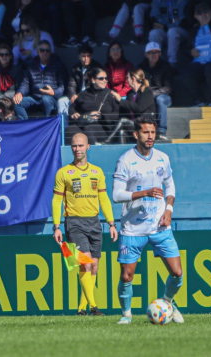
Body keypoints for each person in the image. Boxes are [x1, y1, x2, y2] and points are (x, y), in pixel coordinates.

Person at [112, 116, 184, 325]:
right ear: (136, 134)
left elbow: (170, 186)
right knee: (127, 276)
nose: (150, 136)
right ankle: (126, 315)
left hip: (160, 225)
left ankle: (167, 303)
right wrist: (143, 193)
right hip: (133, 228)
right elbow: (116, 195)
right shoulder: (125, 160)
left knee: (177, 273)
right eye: (145, 132)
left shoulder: (162, 158)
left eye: (153, 132)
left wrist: (169, 209)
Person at [52, 132, 117, 316]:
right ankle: (94, 307)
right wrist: (56, 227)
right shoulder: (63, 173)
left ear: (88, 147)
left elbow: (103, 198)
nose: (77, 149)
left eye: (81, 145)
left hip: (95, 223)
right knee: (85, 264)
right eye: (74, 146)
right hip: (74, 223)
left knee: (94, 267)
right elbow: (57, 201)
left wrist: (111, 223)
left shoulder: (97, 172)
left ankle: (81, 309)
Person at [65, 67, 118, 144]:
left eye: (106, 78)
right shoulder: (84, 93)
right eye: (101, 78)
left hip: (103, 126)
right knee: (70, 130)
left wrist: (101, 116)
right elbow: (73, 106)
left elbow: (116, 114)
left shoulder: (111, 94)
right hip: (85, 122)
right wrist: (73, 113)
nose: (104, 81)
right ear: (93, 80)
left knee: (89, 129)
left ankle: (94, 153)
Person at [16, 40, 67, 118]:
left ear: (51, 52)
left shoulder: (58, 64)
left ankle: (48, 126)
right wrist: (20, 93)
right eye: (42, 50)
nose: (45, 52)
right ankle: (25, 127)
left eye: (47, 50)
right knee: (18, 103)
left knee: (46, 99)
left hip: (50, 98)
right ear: (37, 52)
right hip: (35, 98)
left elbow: (63, 86)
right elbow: (25, 83)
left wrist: (53, 93)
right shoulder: (31, 65)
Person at [104, 69, 156, 143]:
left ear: (133, 78)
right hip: (134, 125)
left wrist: (121, 101)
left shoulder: (147, 92)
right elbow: (127, 108)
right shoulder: (130, 93)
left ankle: (106, 141)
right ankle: (122, 152)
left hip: (145, 125)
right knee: (121, 132)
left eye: (127, 78)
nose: (126, 80)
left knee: (123, 121)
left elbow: (139, 108)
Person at [149, 0, 189, 66]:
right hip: (165, 31)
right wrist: (172, 21)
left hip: (181, 32)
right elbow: (155, 18)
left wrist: (166, 25)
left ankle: (172, 62)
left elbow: (182, 20)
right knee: (154, 33)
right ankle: (157, 62)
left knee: (172, 31)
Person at [139, 42, 173, 140]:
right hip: (147, 94)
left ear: (160, 54)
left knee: (160, 99)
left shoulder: (166, 66)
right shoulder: (141, 67)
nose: (154, 55)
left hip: (164, 96)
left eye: (156, 52)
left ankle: (162, 130)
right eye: (151, 53)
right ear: (146, 55)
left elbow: (168, 88)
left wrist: (152, 94)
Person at [61, 44, 102, 118]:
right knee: (61, 101)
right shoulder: (75, 68)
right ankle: (63, 127)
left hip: (91, 97)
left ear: (92, 56)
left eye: (88, 56)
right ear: (79, 56)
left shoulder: (97, 68)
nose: (86, 58)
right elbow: (71, 86)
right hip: (77, 96)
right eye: (83, 56)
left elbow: (98, 86)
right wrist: (73, 95)